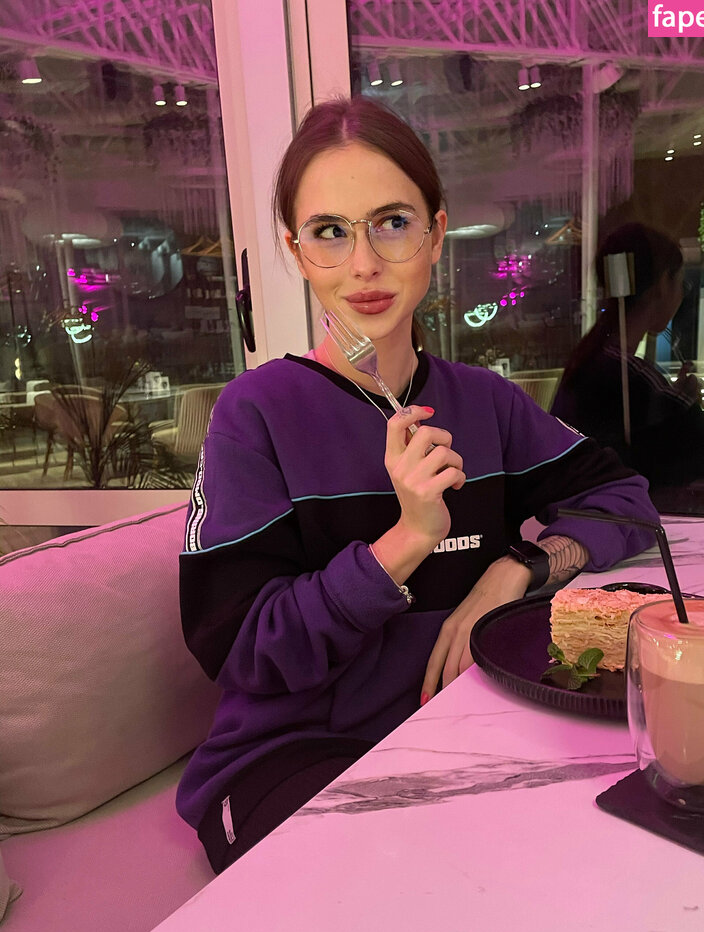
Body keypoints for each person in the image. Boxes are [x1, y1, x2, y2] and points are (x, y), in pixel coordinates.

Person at [175, 97, 659, 873]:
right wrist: (405, 541)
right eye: (330, 232)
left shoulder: (486, 402)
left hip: (468, 729)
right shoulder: (255, 414)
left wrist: (520, 568)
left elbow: (626, 503)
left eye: (392, 223)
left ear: (435, 234)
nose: (364, 264)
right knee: (405, 894)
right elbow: (244, 652)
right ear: (297, 251)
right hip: (293, 754)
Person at [551, 223, 704, 490]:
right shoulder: (629, 375)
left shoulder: (588, 363)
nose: (681, 295)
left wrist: (675, 402)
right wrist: (685, 406)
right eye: (682, 284)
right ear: (663, 284)